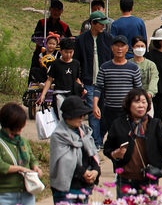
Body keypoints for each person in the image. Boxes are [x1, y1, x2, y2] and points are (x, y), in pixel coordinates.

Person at [103, 89, 162, 199]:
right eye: (136, 102)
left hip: (149, 179)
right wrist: (114, 154)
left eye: (144, 102)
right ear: (128, 104)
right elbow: (107, 148)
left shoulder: (155, 124)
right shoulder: (119, 124)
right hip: (125, 179)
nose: (141, 105)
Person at [48, 95, 101, 205]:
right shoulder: (59, 135)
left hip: (83, 187)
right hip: (66, 189)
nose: (82, 118)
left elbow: (92, 154)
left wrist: (95, 170)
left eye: (83, 114)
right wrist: (83, 172)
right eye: (79, 115)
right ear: (68, 116)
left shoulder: (84, 132)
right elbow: (65, 162)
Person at [92, 35, 141, 142]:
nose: (119, 49)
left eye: (122, 46)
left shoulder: (133, 68)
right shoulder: (105, 67)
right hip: (110, 110)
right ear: (112, 48)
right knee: (114, 138)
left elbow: (138, 90)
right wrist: (95, 105)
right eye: (117, 46)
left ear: (127, 48)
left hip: (127, 110)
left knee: (127, 138)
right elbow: (98, 87)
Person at [75, 11, 113, 147]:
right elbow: (76, 61)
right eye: (100, 24)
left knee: (105, 114)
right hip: (89, 83)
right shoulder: (81, 40)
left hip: (106, 83)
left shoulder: (108, 39)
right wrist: (79, 81)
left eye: (104, 24)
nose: (103, 27)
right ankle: (96, 142)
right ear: (92, 23)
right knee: (93, 113)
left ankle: (100, 136)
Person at [0, 103, 38, 205]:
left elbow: (32, 158)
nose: (20, 130)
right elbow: (2, 166)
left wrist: (35, 167)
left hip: (27, 193)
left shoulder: (23, 141)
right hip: (5, 194)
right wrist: (20, 169)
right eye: (16, 127)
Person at [41, 37, 84, 113]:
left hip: (72, 94)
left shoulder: (76, 63)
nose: (68, 55)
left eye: (71, 52)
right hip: (59, 93)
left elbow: (76, 78)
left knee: (71, 116)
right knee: (62, 116)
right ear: (60, 51)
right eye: (66, 52)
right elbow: (50, 79)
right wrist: (43, 95)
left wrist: (82, 88)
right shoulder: (56, 64)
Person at [30, 0, 71, 70]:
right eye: (54, 9)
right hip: (41, 51)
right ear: (50, 9)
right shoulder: (42, 22)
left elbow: (70, 39)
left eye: (58, 10)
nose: (56, 12)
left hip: (57, 54)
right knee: (34, 69)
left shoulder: (64, 26)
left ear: (61, 12)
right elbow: (36, 36)